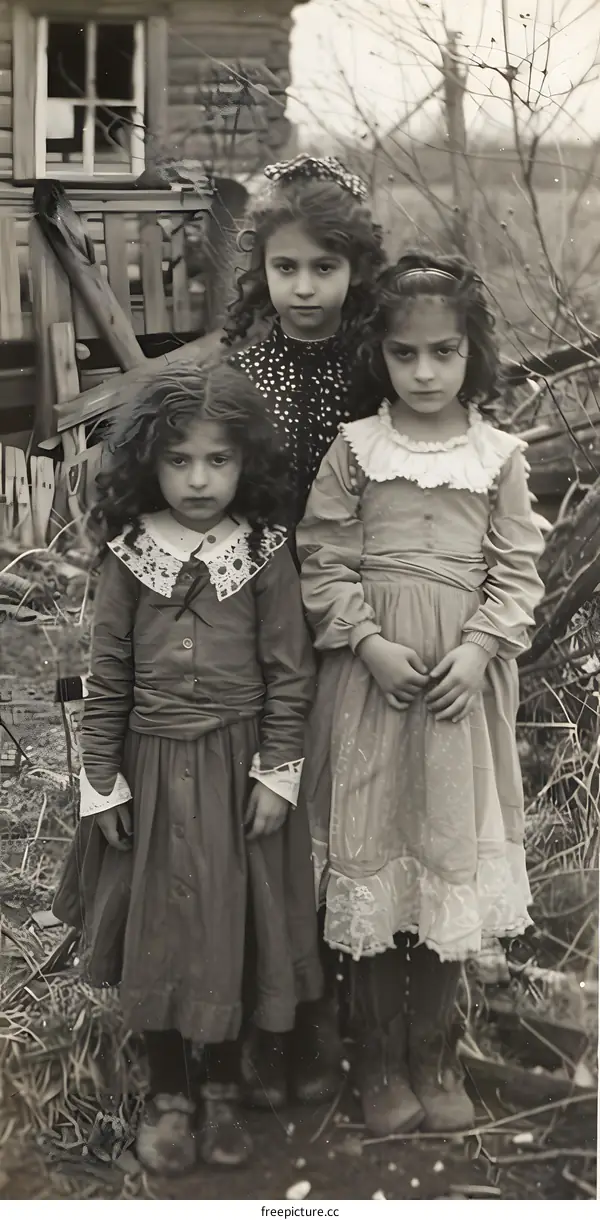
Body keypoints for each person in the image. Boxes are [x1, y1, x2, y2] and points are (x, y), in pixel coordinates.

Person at [295, 251, 546, 1138]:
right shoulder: (356, 450)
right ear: (382, 357)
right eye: (407, 356)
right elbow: (322, 558)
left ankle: (435, 1051)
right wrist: (368, 642)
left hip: (456, 696)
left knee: (442, 857)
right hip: (374, 687)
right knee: (374, 856)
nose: (427, 372)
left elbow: (517, 571)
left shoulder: (497, 456)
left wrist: (480, 650)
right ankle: (376, 1059)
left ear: (474, 353)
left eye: (445, 353)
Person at [53, 362, 321, 1176]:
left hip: (241, 778)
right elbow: (107, 679)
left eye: (217, 460)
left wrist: (278, 774)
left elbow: (291, 675)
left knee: (236, 929)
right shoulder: (130, 558)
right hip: (153, 773)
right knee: (161, 933)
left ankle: (222, 1090)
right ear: (147, 464)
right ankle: (167, 1090)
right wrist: (102, 782)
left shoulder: (266, 553)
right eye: (178, 461)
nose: (199, 479)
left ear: (245, 462)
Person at [224, 153, 387, 526]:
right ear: (263, 267)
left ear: (357, 270)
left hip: (357, 565)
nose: (303, 288)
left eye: (324, 267)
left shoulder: (379, 369)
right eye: (286, 267)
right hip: (265, 564)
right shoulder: (238, 379)